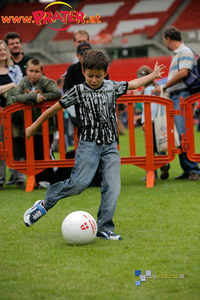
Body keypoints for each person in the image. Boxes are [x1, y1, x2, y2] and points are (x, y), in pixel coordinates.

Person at [23, 49, 165, 240]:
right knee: (79, 184)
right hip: (88, 144)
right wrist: (33, 126)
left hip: (110, 145)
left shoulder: (112, 86)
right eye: (90, 75)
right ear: (83, 71)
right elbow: (53, 109)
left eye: (98, 76)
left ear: (106, 72)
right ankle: (44, 203)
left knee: (113, 186)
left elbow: (132, 84)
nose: (94, 80)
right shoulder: (78, 91)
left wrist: (153, 76)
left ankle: (104, 227)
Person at [152, 25, 200, 180]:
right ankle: (188, 169)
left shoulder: (184, 51)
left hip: (181, 96)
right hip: (176, 96)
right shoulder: (179, 53)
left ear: (168, 38)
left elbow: (183, 73)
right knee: (178, 135)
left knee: (183, 133)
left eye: (164, 40)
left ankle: (194, 170)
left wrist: (164, 86)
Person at [14, 58, 62, 188]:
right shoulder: (24, 81)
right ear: (26, 70)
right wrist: (34, 97)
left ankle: (53, 180)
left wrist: (42, 98)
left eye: (36, 71)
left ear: (41, 72)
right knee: (34, 154)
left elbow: (57, 93)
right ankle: (39, 180)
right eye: (31, 71)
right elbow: (16, 97)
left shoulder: (46, 81)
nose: (33, 74)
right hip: (30, 126)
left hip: (47, 126)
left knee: (46, 153)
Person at [4, 32, 33, 186]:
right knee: (6, 144)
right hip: (6, 110)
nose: (15, 45)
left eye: (17, 42)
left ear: (21, 44)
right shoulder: (8, 66)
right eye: (11, 43)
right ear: (8, 47)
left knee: (22, 142)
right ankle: (12, 176)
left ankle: (24, 176)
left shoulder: (29, 62)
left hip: (24, 110)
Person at [137, 65, 170, 182]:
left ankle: (152, 173)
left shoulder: (147, 89)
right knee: (159, 146)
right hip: (159, 121)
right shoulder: (156, 87)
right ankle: (164, 163)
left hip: (150, 122)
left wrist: (145, 121)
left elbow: (149, 108)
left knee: (149, 148)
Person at [0, 40, 24, 190]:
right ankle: (1, 179)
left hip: (14, 114)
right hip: (0, 113)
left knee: (16, 143)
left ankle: (19, 178)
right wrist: (11, 85)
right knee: (0, 146)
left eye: (3, 49)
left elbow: (20, 87)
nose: (2, 52)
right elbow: (15, 86)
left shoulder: (15, 69)